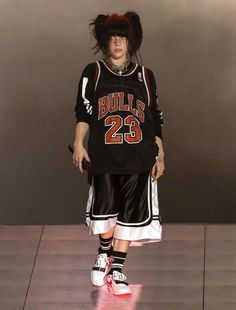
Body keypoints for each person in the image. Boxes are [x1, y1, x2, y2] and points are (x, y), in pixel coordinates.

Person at [72, 11, 165, 296]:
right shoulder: (94, 71)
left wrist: (160, 153)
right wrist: (78, 142)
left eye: (122, 37)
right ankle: (103, 253)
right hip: (105, 157)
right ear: (105, 40)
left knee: (130, 217)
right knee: (105, 214)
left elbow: (154, 117)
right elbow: (83, 111)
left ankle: (117, 269)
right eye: (112, 36)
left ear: (131, 41)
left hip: (138, 157)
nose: (117, 42)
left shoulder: (145, 76)